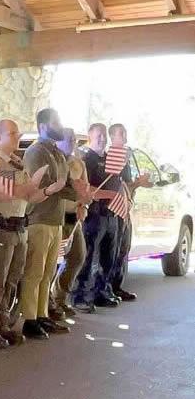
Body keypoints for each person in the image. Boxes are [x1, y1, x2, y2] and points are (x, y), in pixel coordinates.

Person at [0, 119, 46, 349]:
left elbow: (28, 197)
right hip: (0, 229)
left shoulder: (18, 163)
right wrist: (28, 188)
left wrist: (46, 190)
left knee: (12, 279)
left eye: (18, 132)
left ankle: (4, 324)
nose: (17, 136)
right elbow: (5, 194)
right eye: (12, 133)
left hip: (19, 227)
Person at [20, 108, 80, 339]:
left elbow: (65, 183)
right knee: (34, 272)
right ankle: (29, 318)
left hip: (55, 219)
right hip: (39, 218)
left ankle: (42, 314)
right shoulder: (36, 152)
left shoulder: (55, 152)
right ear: (43, 126)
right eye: (56, 122)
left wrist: (75, 191)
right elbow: (45, 184)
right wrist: (73, 192)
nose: (60, 126)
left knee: (47, 273)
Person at [73, 123, 123, 312]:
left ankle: (101, 292)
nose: (102, 138)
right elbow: (87, 190)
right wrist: (109, 195)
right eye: (98, 135)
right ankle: (80, 296)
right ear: (90, 136)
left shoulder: (111, 161)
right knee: (88, 257)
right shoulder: (87, 160)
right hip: (94, 215)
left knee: (108, 258)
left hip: (111, 215)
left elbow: (119, 185)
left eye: (104, 135)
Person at [50, 128, 93, 319]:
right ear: (58, 141)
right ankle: (48, 304)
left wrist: (84, 204)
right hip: (56, 218)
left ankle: (60, 297)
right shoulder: (53, 162)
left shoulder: (78, 164)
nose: (72, 142)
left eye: (74, 139)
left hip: (74, 218)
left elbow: (86, 190)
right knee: (51, 262)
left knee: (77, 256)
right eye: (68, 139)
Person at [107, 123, 152, 301]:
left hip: (126, 208)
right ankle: (108, 288)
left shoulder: (125, 159)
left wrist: (140, 183)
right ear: (112, 137)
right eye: (121, 133)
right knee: (114, 250)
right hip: (114, 211)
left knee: (123, 250)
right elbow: (119, 186)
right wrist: (137, 183)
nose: (125, 136)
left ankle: (117, 287)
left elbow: (128, 186)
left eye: (125, 133)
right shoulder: (113, 159)